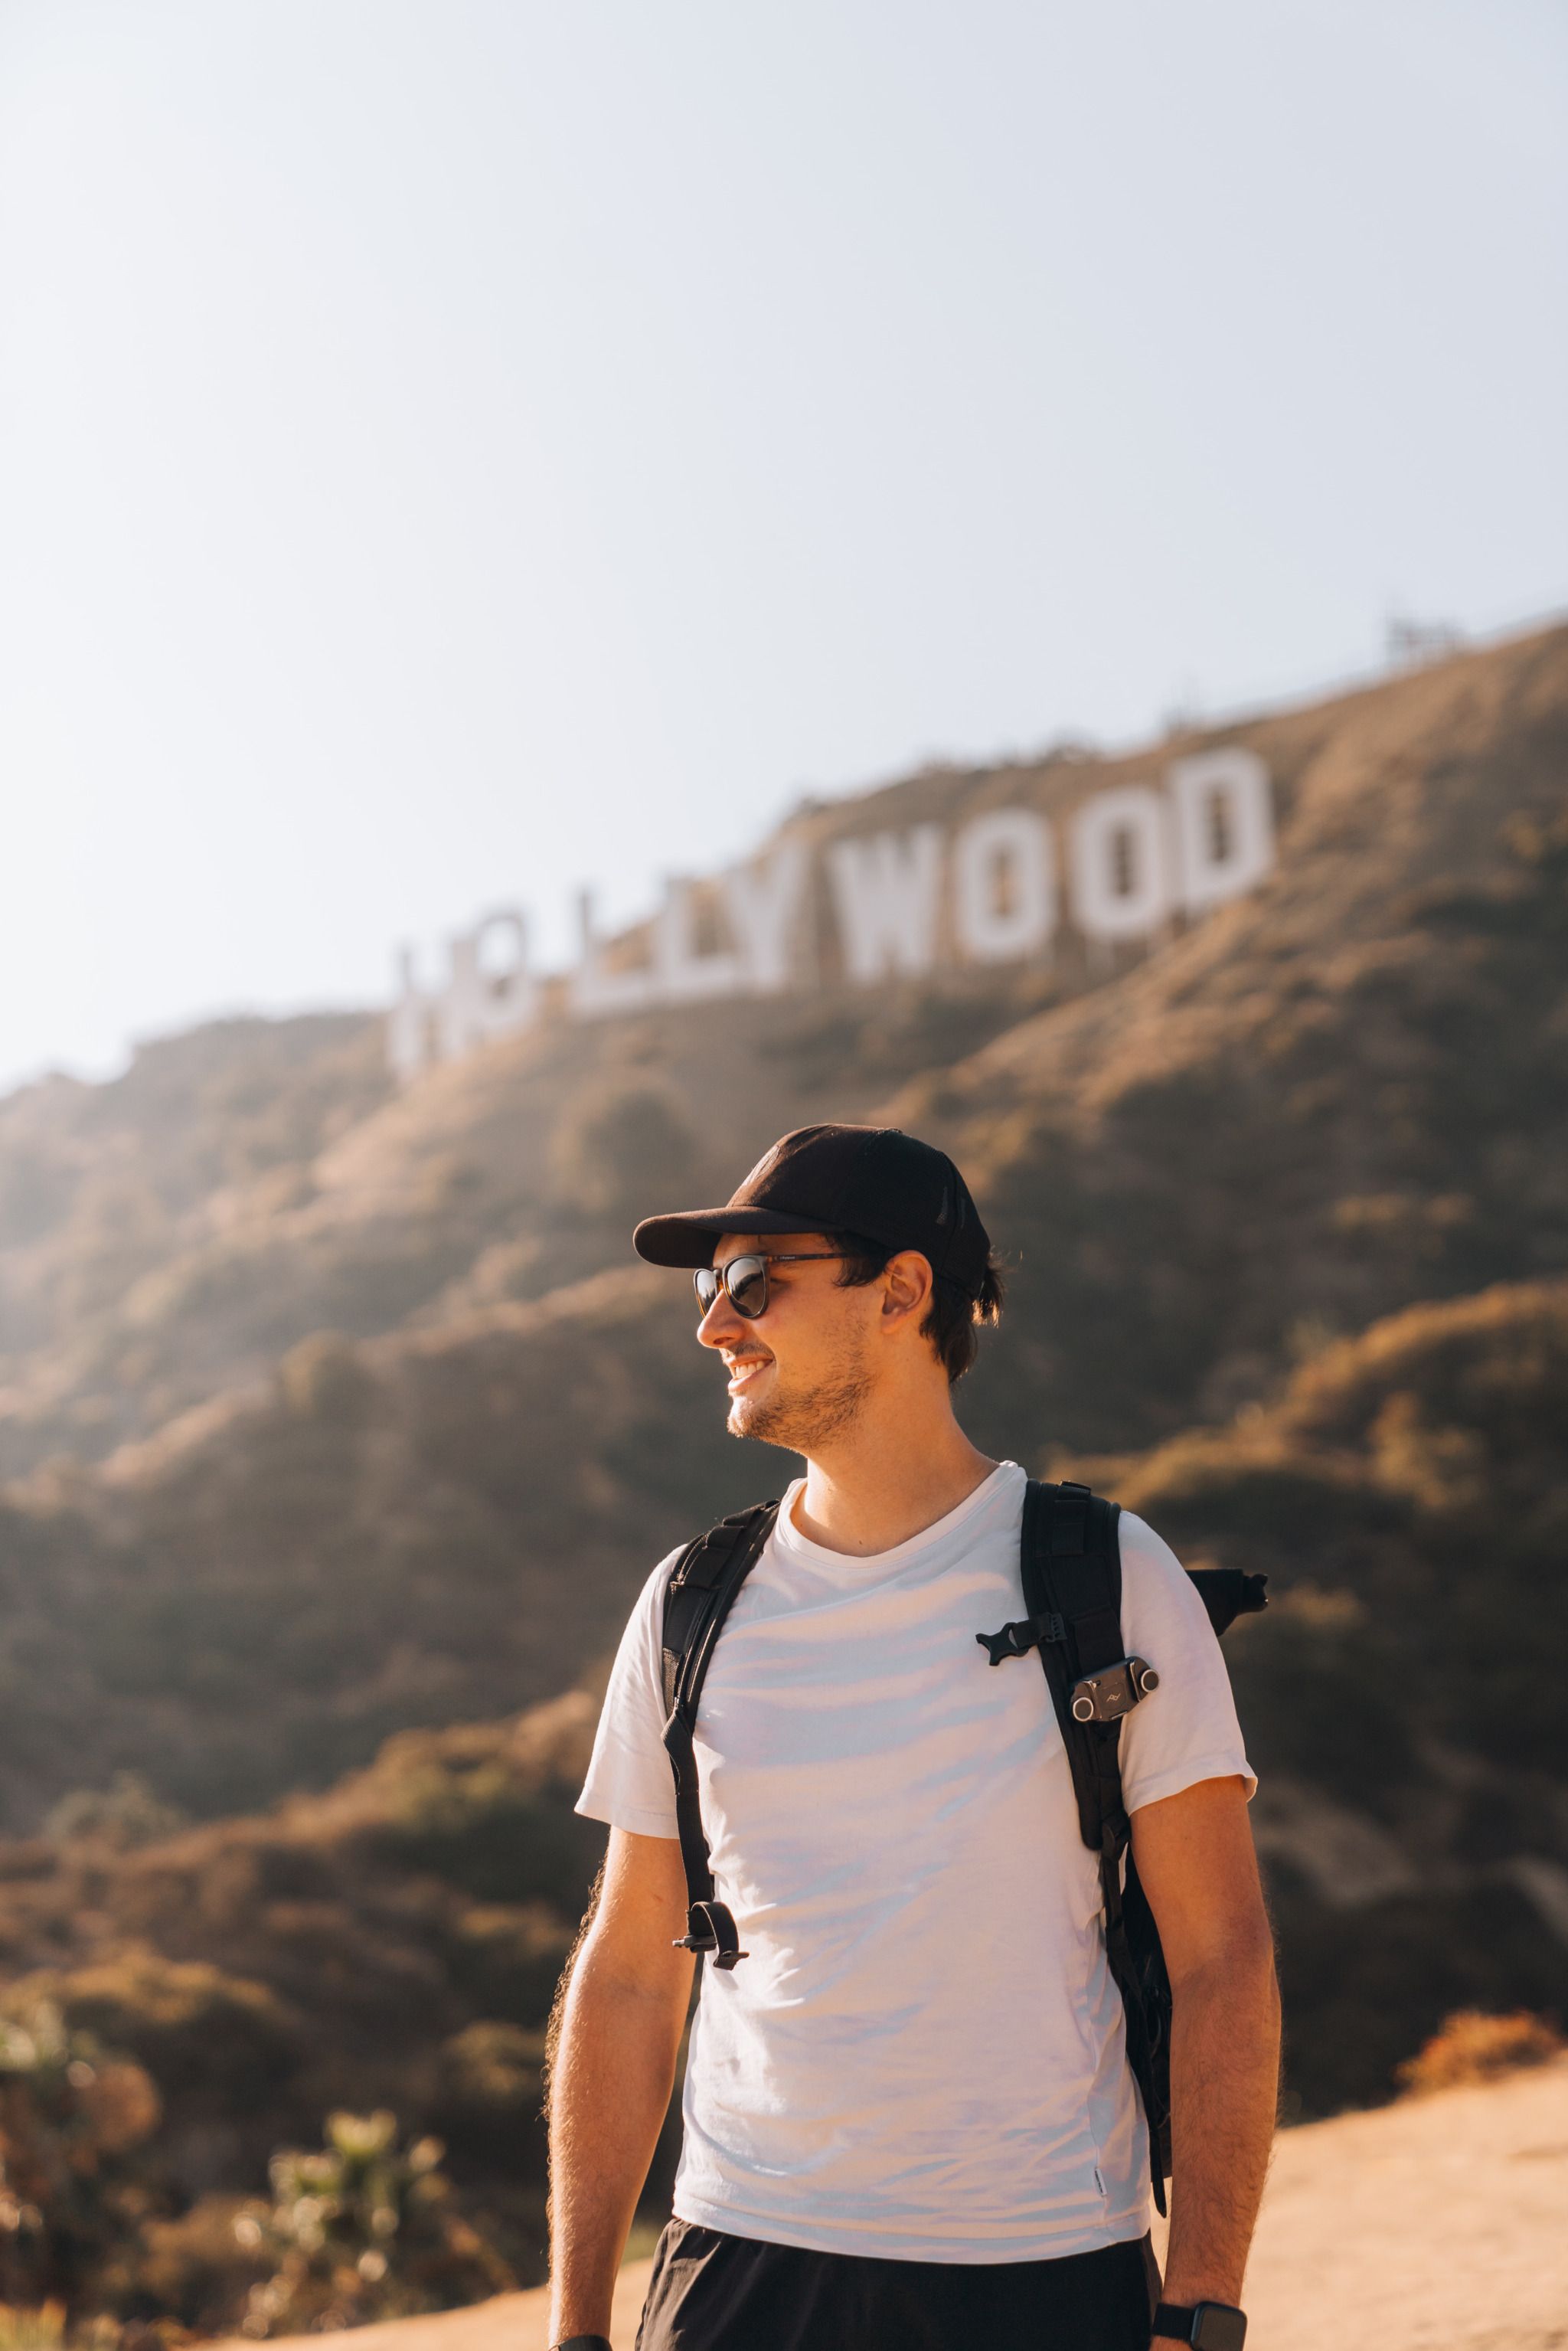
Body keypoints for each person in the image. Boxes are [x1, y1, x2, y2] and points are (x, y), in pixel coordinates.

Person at [547, 1124, 1280, 2351]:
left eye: (752, 1282)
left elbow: (1223, 1958)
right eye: (707, 1287)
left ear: (901, 1290)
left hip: (1037, 2270)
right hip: (740, 2269)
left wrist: (1199, 2305)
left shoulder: (1107, 1579)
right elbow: (628, 1969)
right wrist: (576, 2325)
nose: (714, 1325)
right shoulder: (690, 1602)